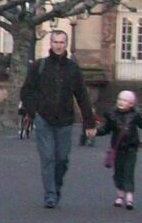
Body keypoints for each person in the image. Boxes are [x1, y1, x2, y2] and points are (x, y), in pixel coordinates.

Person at [18, 30, 97, 208]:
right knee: (47, 157)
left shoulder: (72, 68)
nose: (58, 45)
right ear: (50, 44)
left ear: (66, 44)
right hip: (43, 119)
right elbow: (26, 91)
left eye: (61, 42)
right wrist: (33, 111)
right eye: (55, 42)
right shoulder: (40, 66)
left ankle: (56, 185)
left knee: (62, 159)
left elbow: (82, 96)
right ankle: (50, 195)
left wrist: (89, 122)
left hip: (65, 120)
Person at [93, 90, 142, 210]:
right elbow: (106, 129)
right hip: (117, 149)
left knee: (129, 172)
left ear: (131, 104)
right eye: (119, 99)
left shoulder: (135, 116)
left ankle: (129, 197)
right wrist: (95, 132)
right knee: (118, 173)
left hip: (131, 148)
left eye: (125, 101)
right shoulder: (112, 115)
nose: (121, 102)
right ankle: (120, 194)